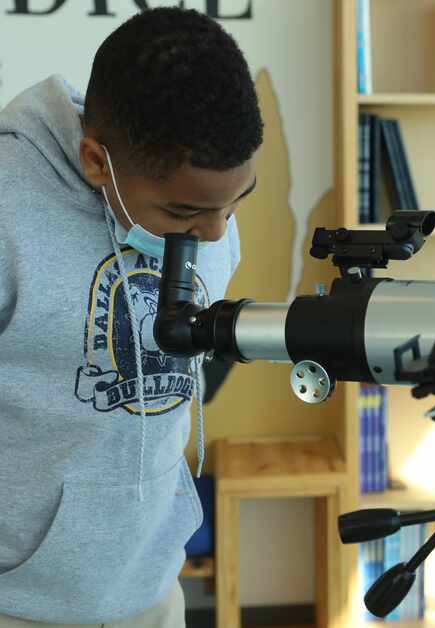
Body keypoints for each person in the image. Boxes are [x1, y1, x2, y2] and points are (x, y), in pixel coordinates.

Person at [0, 7, 262, 627]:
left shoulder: (206, 206)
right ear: (97, 163)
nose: (217, 232)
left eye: (235, 202)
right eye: (183, 213)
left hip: (149, 584)